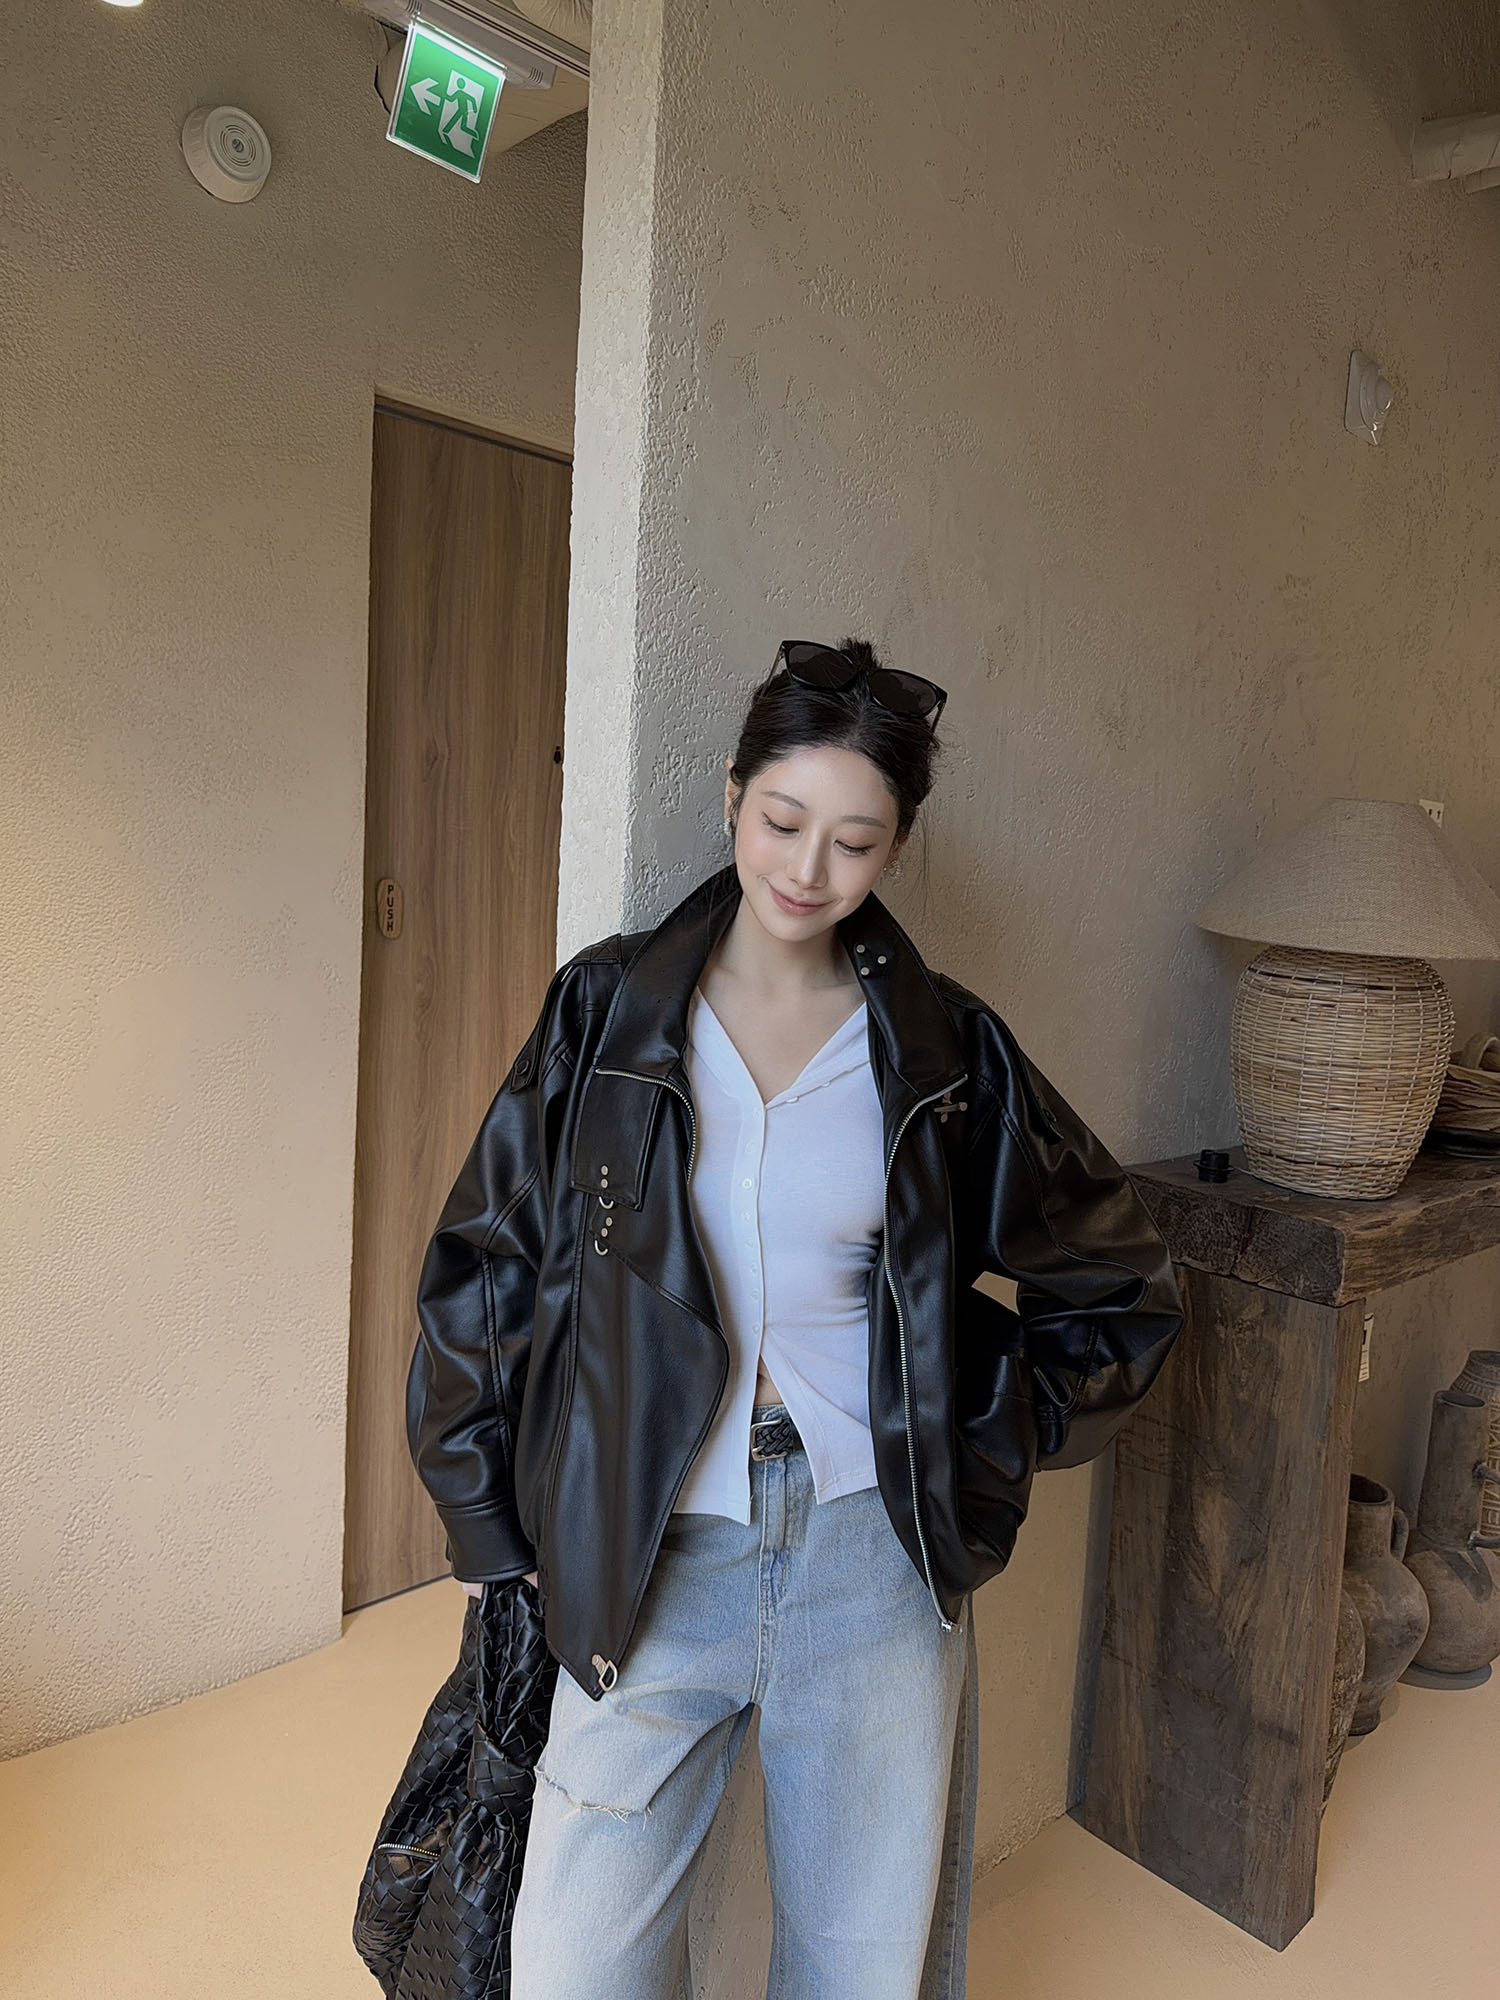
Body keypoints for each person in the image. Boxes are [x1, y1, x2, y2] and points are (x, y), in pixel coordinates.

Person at [406, 638, 1183, 2000]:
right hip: (642, 1547)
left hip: (866, 1556)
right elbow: (486, 1262)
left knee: (857, 1966)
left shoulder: (942, 1052)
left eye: (855, 841)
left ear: (895, 849)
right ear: (731, 792)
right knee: (575, 1964)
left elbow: (1120, 1289)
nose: (809, 869)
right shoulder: (607, 1012)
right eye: (782, 819)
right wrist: (484, 1523)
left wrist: (971, 1439)